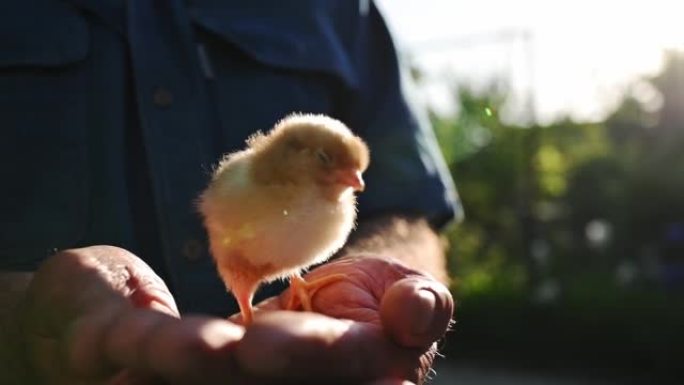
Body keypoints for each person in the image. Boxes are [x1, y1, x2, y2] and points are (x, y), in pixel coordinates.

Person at [0, 1, 462, 384]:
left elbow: (406, 208)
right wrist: (20, 318)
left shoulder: (340, 10)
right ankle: (247, 303)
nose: (353, 182)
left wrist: (378, 295)